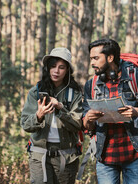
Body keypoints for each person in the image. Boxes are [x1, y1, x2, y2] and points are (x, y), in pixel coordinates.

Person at [82, 39, 138, 184]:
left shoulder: (136, 78)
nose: (92, 63)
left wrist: (136, 111)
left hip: (134, 156)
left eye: (96, 58)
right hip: (105, 159)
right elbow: (87, 126)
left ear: (110, 57)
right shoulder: (91, 85)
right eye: (91, 58)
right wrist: (88, 118)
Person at [21, 47, 83, 184]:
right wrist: (39, 115)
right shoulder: (35, 92)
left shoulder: (74, 94)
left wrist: (61, 109)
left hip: (66, 157)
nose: (56, 71)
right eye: (53, 66)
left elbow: (78, 125)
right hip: (40, 156)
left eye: (61, 67)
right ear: (47, 68)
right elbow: (25, 124)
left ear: (67, 70)